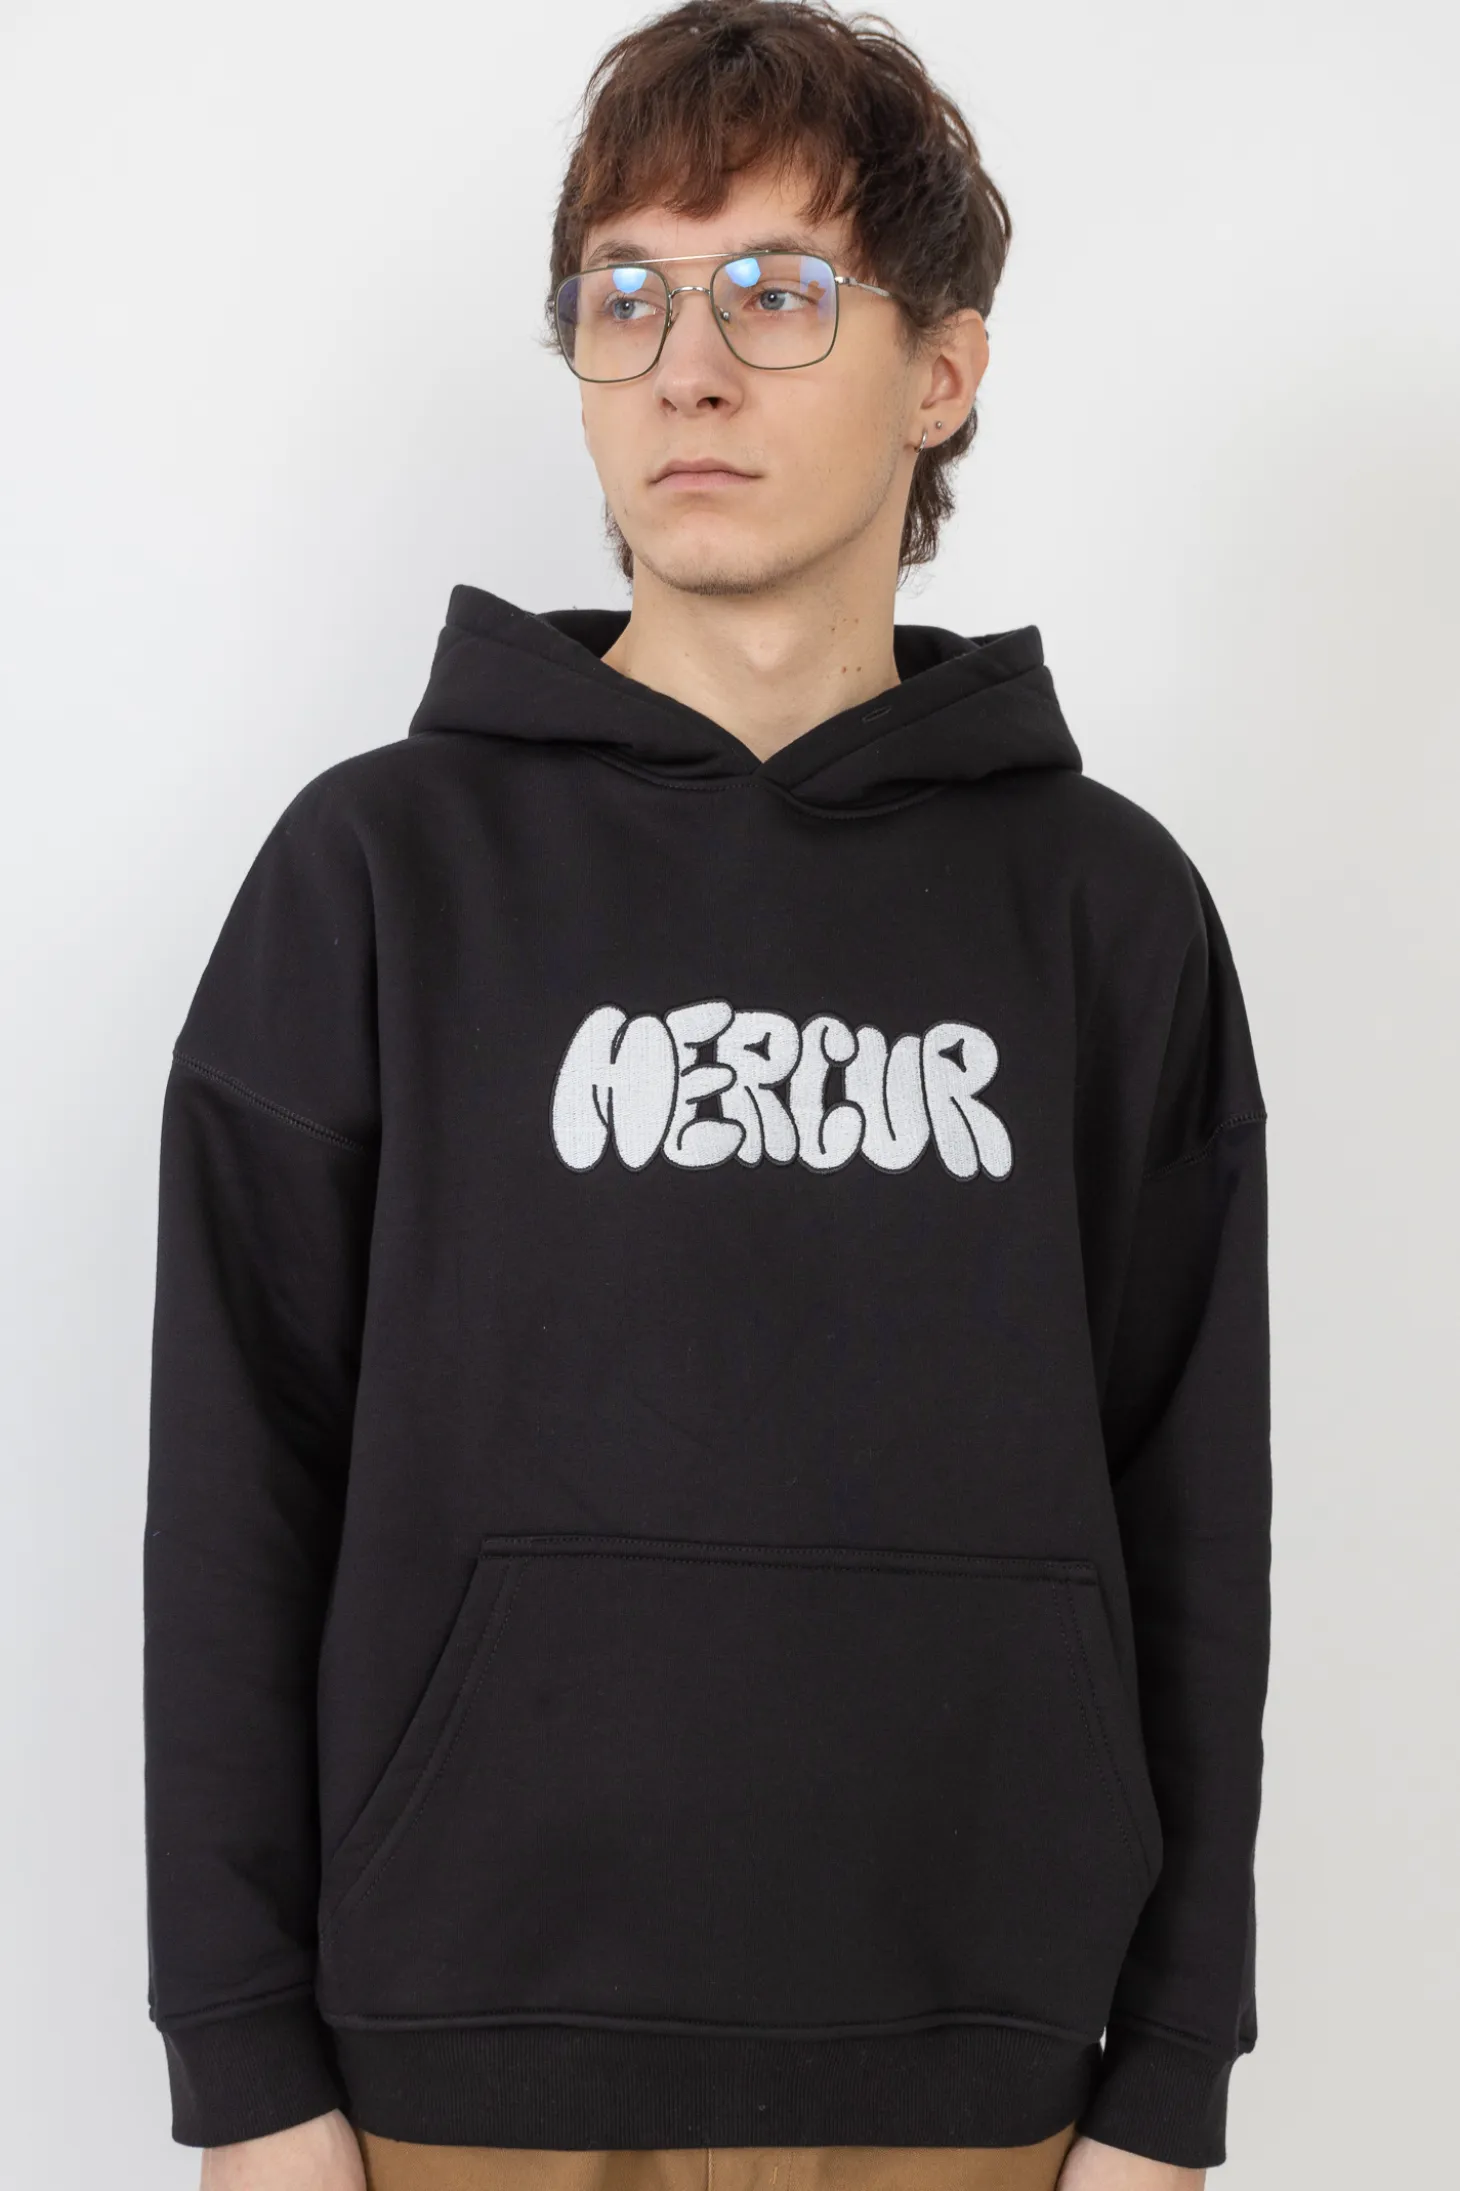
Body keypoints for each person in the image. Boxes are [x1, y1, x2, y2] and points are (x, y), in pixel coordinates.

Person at [142, 4, 1271, 2189]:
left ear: (941, 371)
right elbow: (233, 1497)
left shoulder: (1107, 913)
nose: (686, 366)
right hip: (451, 2066)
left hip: (982, 2072)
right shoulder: (378, 875)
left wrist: (1171, 2080)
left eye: (776, 289)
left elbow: (1192, 1514)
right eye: (626, 296)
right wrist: (244, 2066)